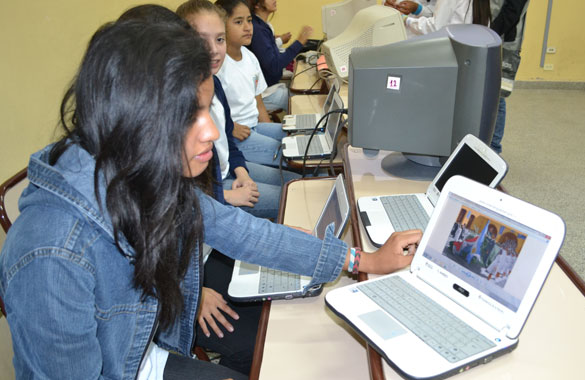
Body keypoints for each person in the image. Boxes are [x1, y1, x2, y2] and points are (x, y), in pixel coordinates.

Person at [0, 18, 421, 380]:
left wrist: (360, 260)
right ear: (133, 118)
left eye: (206, 110)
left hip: (150, 352)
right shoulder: (51, 254)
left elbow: (243, 232)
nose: (213, 132)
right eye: (189, 116)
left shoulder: (143, 174)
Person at [178, 0, 299, 221]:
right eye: (201, 41)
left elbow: (228, 145)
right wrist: (227, 195)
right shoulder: (177, 101)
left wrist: (242, 172)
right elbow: (179, 191)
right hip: (217, 189)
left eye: (219, 39)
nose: (213, 50)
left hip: (229, 172)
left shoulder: (215, 84)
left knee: (298, 184)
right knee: (295, 197)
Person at [214, 0, 286, 167]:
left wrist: (270, 134)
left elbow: (259, 104)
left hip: (255, 126)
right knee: (293, 155)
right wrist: (230, 127)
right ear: (222, 26)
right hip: (238, 135)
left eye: (249, 20)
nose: (247, 27)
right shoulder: (218, 64)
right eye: (239, 22)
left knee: (298, 139)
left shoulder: (250, 57)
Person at [247, 0, 313, 112]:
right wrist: (299, 42)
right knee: (301, 101)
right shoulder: (258, 30)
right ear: (257, 4)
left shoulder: (262, 26)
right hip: (264, 92)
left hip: (269, 84)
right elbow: (274, 66)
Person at [489, 0, 529, 153]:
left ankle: (493, 149)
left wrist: (487, 33)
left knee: (498, 97)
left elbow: (512, 12)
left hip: (504, 44)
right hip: (486, 37)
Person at [401, 0, 491, 36]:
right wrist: (418, 10)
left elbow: (434, 27)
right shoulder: (482, 3)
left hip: (450, 50)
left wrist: (405, 20)